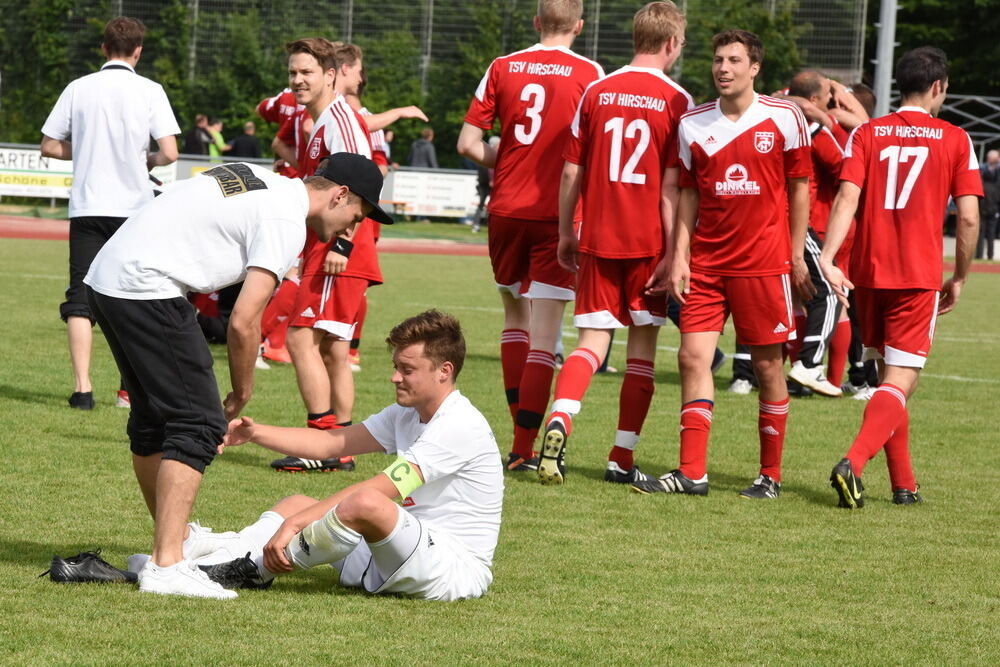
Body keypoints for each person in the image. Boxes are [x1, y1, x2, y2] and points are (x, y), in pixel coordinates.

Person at [85, 153, 392, 599]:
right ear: (340, 194)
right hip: (146, 284)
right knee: (199, 423)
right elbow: (245, 321)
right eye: (356, 216)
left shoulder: (270, 185)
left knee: (155, 420)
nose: (351, 229)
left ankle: (179, 541)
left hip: (110, 277)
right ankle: (168, 565)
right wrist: (242, 390)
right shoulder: (287, 219)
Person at [184, 310, 503, 601]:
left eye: (407, 370)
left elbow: (385, 488)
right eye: (396, 367)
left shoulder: (459, 424)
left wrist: (296, 525)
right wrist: (254, 434)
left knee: (364, 501)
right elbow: (329, 445)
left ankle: (255, 573)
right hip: (399, 549)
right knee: (296, 503)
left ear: (444, 371)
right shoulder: (406, 414)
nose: (395, 377)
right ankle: (202, 564)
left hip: (450, 568)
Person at [631, 29, 813, 500]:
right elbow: (687, 195)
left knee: (769, 367)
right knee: (692, 356)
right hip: (706, 265)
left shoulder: (786, 117)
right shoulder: (692, 123)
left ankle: (769, 475)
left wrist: (795, 255)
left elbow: (799, 187)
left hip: (763, 264)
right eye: (717, 59)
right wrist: (680, 256)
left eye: (734, 60)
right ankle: (692, 472)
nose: (723, 68)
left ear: (755, 68)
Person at [535, 1, 690, 486]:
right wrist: (673, 252)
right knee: (641, 353)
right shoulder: (678, 101)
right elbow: (670, 188)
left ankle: (560, 418)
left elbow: (570, 171)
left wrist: (566, 231)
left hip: (598, 237)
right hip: (647, 244)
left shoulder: (597, 91)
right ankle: (620, 458)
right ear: (671, 44)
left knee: (589, 345)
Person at [819, 47, 982, 508]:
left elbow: (846, 199)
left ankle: (904, 484)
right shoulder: (954, 138)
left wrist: (830, 256)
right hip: (915, 275)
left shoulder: (867, 134)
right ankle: (852, 463)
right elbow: (968, 219)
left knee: (892, 377)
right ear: (937, 88)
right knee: (901, 380)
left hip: (869, 273)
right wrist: (961, 277)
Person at [457, 0, 604, 472]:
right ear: (579, 26)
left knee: (513, 319)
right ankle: (527, 443)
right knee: (545, 338)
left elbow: (467, 143)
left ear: (537, 22)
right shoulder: (590, 73)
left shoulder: (503, 66)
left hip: (505, 210)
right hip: (557, 215)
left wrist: (510, 160)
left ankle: (519, 449)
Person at [40, 16, 179, 411]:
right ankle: (127, 390)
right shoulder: (150, 90)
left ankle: (83, 390)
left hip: (87, 206)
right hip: (134, 207)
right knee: (133, 293)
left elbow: (49, 146)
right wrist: (144, 159)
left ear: (103, 48)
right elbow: (169, 152)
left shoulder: (78, 88)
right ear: (138, 51)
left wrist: (83, 148)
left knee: (80, 299)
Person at [784, 70, 845, 397]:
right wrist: (832, 122)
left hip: (760, 223)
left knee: (785, 299)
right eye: (826, 98)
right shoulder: (812, 127)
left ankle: (747, 373)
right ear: (813, 101)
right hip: (802, 221)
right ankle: (810, 366)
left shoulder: (766, 114)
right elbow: (846, 167)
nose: (831, 104)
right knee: (830, 293)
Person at [977, 149, 999, 260]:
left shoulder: (997, 171)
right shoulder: (982, 169)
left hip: (993, 207)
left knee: (991, 233)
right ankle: (979, 255)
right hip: (983, 206)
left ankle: (990, 256)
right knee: (981, 232)